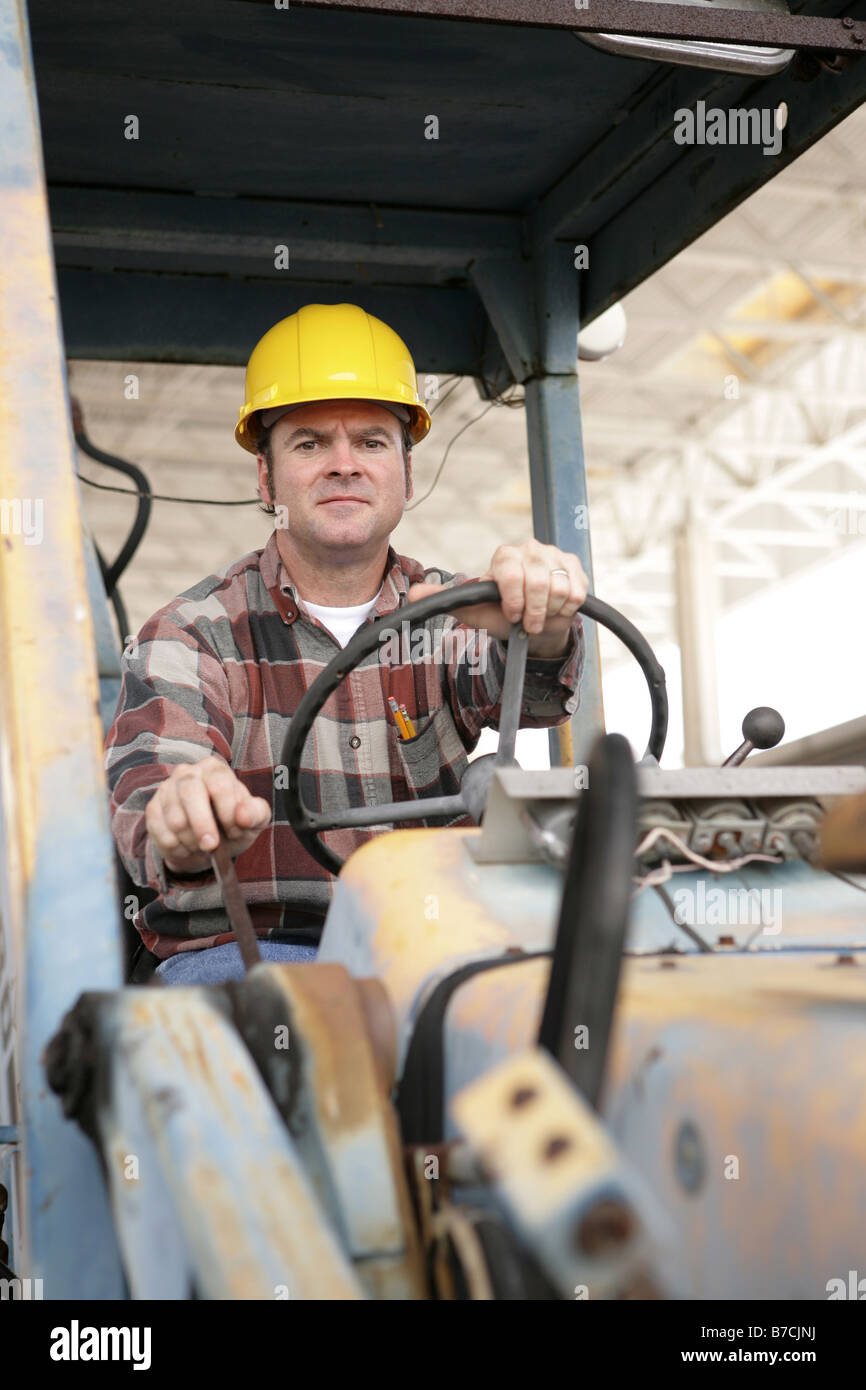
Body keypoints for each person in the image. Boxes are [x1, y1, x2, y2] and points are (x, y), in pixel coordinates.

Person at [106, 303, 588, 984]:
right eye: (308, 443)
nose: (344, 466)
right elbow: (154, 792)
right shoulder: (190, 634)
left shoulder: (453, 614)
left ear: (406, 474)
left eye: (370, 441)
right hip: (253, 954)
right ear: (266, 477)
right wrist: (185, 813)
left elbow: (530, 686)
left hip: (434, 948)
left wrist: (546, 620)